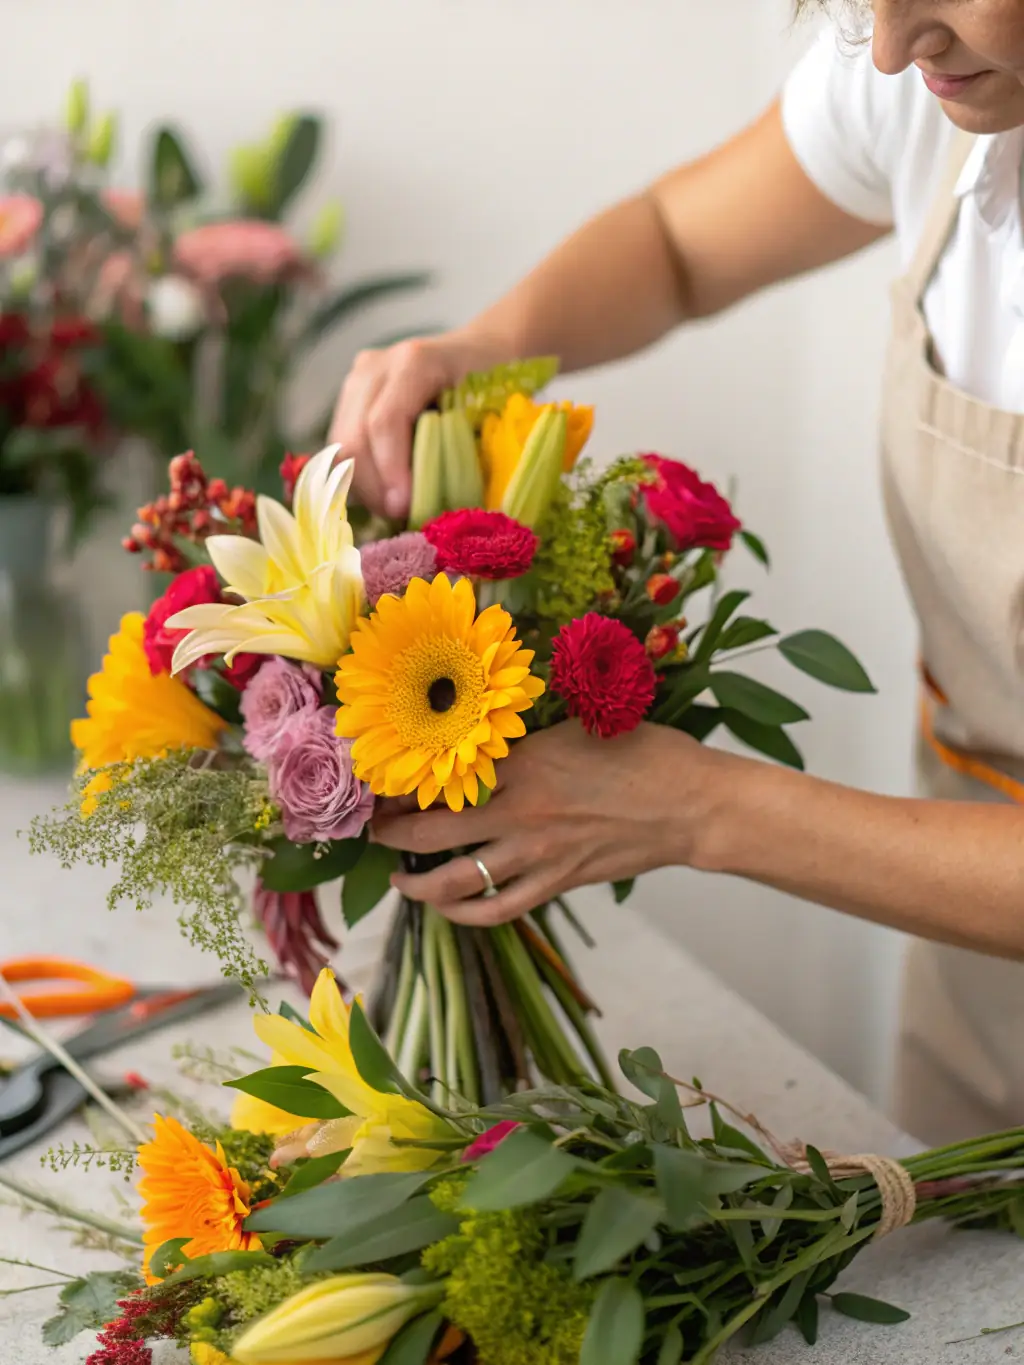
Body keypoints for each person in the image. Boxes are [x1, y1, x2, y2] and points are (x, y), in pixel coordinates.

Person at [330, 1, 1024, 1146]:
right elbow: (674, 243)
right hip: (970, 942)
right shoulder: (938, 87)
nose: (895, 48)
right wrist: (487, 352)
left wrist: (700, 809)